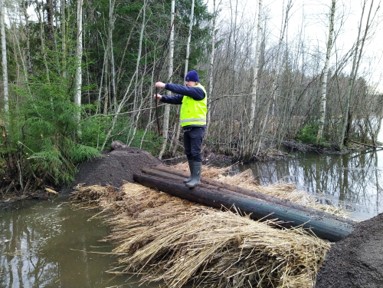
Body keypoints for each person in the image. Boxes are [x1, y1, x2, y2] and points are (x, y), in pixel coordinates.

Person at [154, 70, 207, 188]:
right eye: (186, 81)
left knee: (195, 152)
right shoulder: (188, 95)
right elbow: (176, 99)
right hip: (188, 127)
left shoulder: (199, 91)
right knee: (188, 152)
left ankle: (196, 179)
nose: (187, 83)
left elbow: (183, 90)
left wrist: (165, 85)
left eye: (189, 81)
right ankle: (192, 176)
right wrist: (162, 98)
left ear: (195, 81)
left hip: (197, 127)